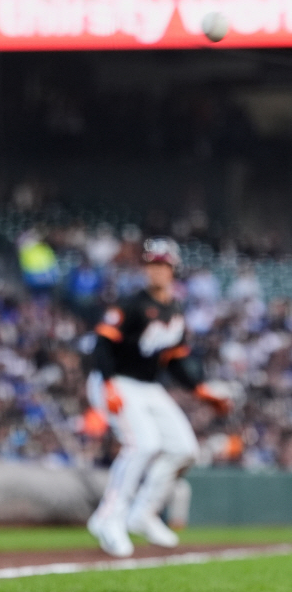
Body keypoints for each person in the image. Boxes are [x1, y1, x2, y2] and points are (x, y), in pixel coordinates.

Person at [85, 238, 232, 558]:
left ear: (173, 269)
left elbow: (175, 361)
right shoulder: (131, 303)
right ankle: (107, 518)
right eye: (152, 263)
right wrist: (108, 384)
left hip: (148, 385)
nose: (157, 269)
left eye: (163, 264)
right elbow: (102, 344)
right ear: (145, 268)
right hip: (116, 379)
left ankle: (143, 513)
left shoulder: (175, 309)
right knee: (143, 445)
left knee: (185, 449)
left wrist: (200, 390)